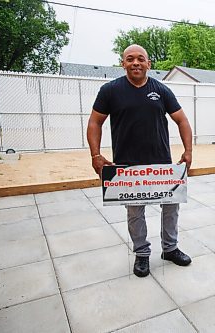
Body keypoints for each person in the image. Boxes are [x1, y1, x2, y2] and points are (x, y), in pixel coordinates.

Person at [87, 44, 193, 278]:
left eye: (141, 59)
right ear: (123, 63)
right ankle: (142, 254)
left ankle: (170, 248)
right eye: (130, 59)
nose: (136, 62)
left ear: (149, 64)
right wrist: (95, 155)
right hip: (128, 167)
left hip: (162, 166)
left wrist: (188, 151)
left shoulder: (161, 90)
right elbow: (95, 122)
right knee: (135, 212)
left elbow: (182, 121)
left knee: (171, 208)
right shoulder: (110, 91)